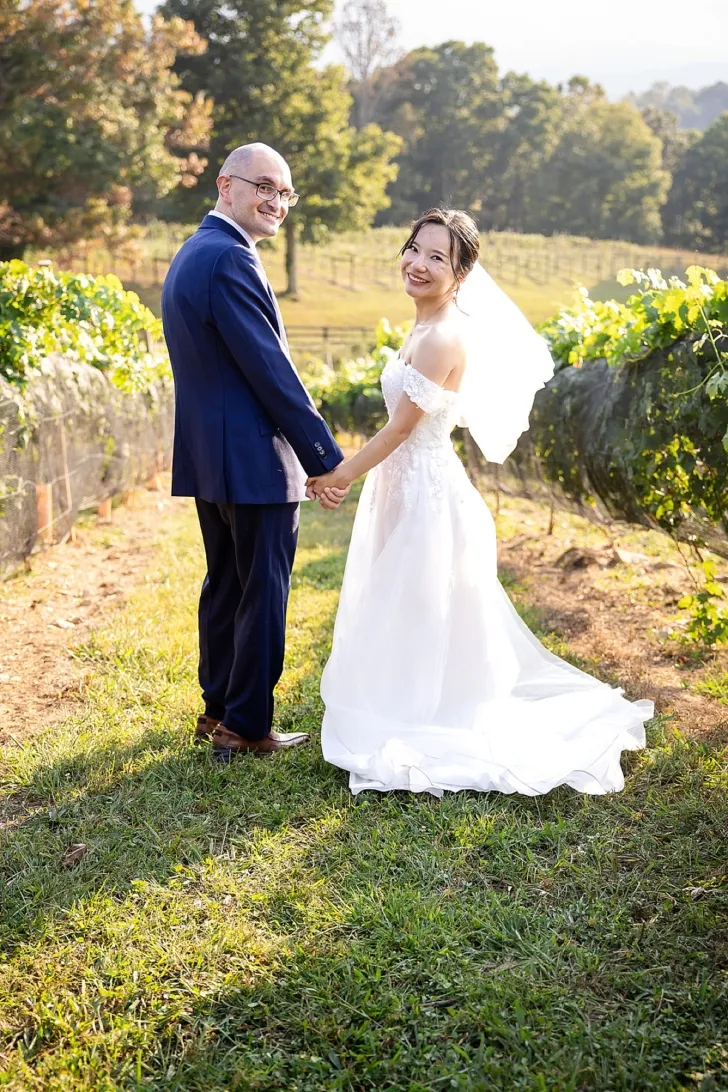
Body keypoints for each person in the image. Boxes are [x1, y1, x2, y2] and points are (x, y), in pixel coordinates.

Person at [307, 208, 653, 797]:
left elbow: (400, 429)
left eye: (437, 257)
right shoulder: (421, 327)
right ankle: (405, 703)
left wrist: (339, 476)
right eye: (414, 248)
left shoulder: (443, 335)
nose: (418, 263)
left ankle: (426, 716)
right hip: (404, 483)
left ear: (461, 274)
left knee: (420, 599)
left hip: (428, 490)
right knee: (402, 597)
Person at [162, 143, 348, 762]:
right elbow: (271, 371)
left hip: (213, 456)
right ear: (225, 185)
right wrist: (324, 458)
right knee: (261, 591)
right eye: (264, 186)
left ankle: (218, 709)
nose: (277, 202)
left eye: (285, 192)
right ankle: (245, 728)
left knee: (227, 585)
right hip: (255, 459)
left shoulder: (197, 251)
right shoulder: (230, 258)